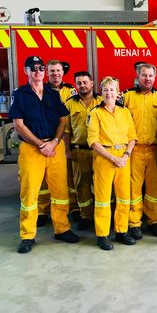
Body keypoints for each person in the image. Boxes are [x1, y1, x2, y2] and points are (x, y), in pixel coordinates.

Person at [9, 56, 79, 253]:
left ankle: (62, 228)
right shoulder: (20, 94)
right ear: (26, 71)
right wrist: (41, 144)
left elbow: (63, 119)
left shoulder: (51, 93)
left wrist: (55, 142)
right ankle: (27, 235)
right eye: (34, 68)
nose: (38, 71)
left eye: (41, 68)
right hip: (31, 149)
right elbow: (19, 125)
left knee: (60, 192)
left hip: (54, 147)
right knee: (30, 193)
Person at [87, 77, 137, 250]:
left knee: (124, 197)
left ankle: (122, 231)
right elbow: (93, 141)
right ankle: (102, 235)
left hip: (124, 158)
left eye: (112, 89)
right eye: (106, 90)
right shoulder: (95, 114)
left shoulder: (125, 112)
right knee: (102, 199)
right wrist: (113, 158)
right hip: (104, 158)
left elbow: (132, 136)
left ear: (118, 93)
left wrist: (126, 155)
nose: (109, 93)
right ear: (101, 93)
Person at [123, 62, 157, 239]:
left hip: (155, 150)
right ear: (137, 76)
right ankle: (134, 223)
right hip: (133, 150)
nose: (147, 78)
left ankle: (154, 220)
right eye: (144, 75)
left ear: (155, 77)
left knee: (154, 188)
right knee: (134, 189)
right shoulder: (127, 97)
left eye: (150, 75)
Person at [37, 59, 78, 227]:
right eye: (52, 71)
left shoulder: (71, 91)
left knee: (69, 177)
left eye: (58, 71)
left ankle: (74, 208)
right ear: (47, 72)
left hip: (65, 140)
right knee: (44, 180)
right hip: (46, 141)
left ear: (63, 73)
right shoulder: (40, 90)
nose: (55, 74)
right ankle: (43, 210)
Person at [63, 71, 102, 231]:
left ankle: (103, 215)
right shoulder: (70, 104)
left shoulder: (102, 100)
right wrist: (67, 150)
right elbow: (66, 130)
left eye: (85, 82)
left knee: (102, 185)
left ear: (92, 83)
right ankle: (86, 215)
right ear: (75, 85)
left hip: (100, 152)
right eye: (79, 83)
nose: (82, 85)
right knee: (82, 185)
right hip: (79, 151)